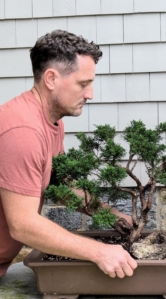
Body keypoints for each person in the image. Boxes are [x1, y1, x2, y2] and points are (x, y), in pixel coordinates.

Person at [0, 30, 137, 278]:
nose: (90, 94)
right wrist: (100, 252)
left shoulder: (51, 122)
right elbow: (23, 225)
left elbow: (60, 186)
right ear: (51, 79)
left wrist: (108, 213)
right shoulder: (22, 131)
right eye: (83, 83)